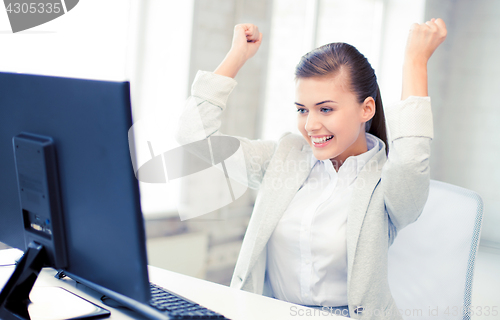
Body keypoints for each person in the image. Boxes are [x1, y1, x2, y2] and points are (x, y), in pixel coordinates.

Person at [175, 19, 447, 319]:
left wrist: (414, 62)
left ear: (366, 109)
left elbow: (410, 160)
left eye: (326, 108)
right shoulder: (285, 157)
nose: (310, 124)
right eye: (302, 109)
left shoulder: (387, 183)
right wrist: (237, 55)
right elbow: (194, 136)